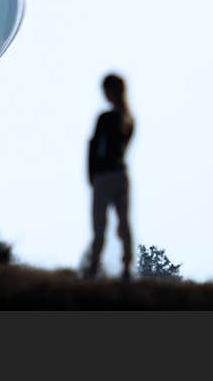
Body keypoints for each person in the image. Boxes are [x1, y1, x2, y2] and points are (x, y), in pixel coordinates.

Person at [85, 73, 135, 281]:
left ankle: (94, 265)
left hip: (104, 176)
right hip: (121, 174)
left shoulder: (105, 119)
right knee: (123, 223)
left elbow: (94, 147)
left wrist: (91, 173)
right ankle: (126, 267)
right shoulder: (129, 120)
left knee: (100, 225)